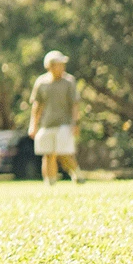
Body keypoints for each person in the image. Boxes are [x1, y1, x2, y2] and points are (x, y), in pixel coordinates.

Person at [28, 50, 82, 186]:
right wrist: (33, 125)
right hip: (47, 124)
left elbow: (75, 105)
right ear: (50, 66)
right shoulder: (41, 82)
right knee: (48, 154)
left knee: (64, 153)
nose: (62, 67)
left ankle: (76, 173)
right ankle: (50, 182)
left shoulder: (68, 81)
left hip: (64, 123)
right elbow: (37, 105)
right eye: (59, 64)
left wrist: (75, 123)